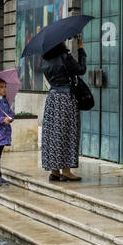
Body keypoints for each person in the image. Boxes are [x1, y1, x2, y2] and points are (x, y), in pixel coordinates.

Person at [41, 36, 87, 181]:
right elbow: (81, 70)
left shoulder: (45, 60)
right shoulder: (64, 57)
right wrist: (81, 50)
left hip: (52, 99)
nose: (63, 41)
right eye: (61, 40)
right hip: (66, 98)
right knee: (67, 133)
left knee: (53, 134)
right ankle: (66, 171)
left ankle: (54, 171)